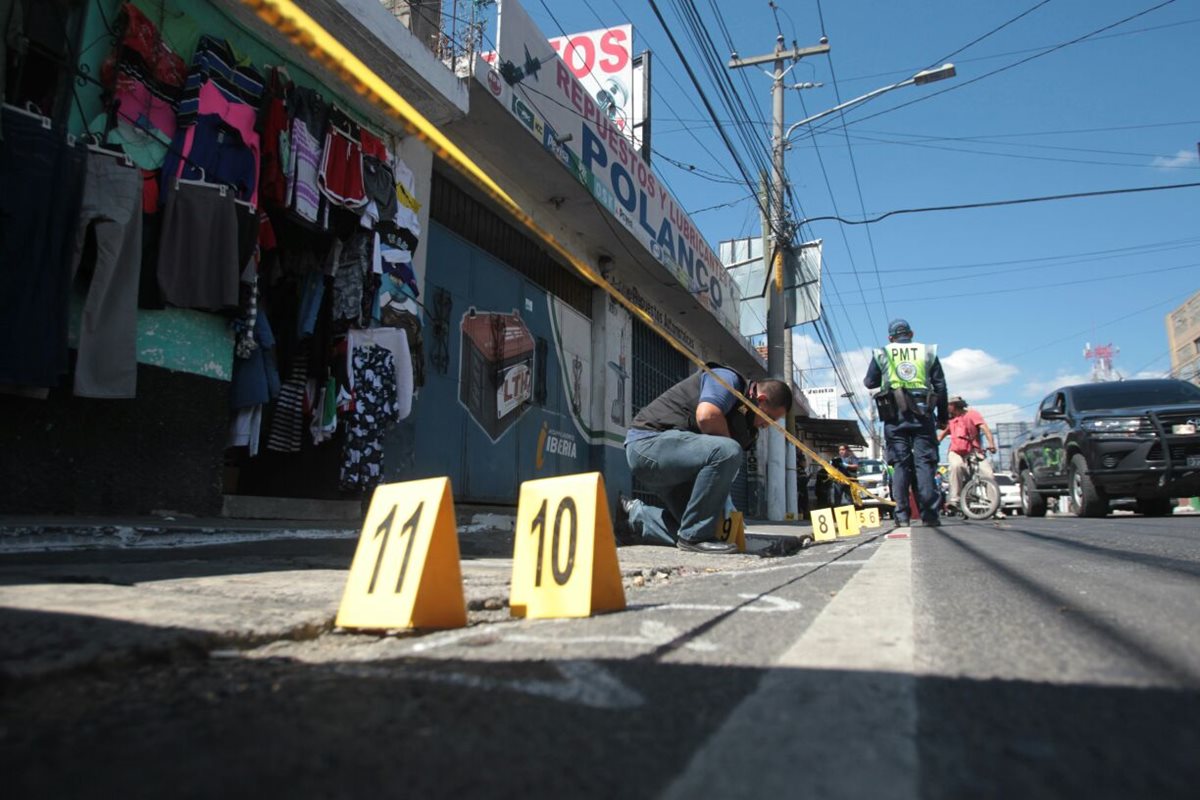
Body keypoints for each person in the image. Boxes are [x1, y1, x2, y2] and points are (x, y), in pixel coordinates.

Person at [616, 365, 793, 553]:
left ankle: (636, 520)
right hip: (647, 445)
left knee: (702, 527)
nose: (767, 425)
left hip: (676, 463)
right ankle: (694, 537)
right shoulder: (727, 379)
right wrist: (728, 455)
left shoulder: (747, 423)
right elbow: (707, 416)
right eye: (770, 418)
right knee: (729, 450)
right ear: (761, 399)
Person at [864, 319, 948, 527]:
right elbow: (940, 386)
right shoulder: (927, 351)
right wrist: (944, 417)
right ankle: (929, 515)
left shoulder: (882, 352)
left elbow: (869, 382)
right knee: (925, 464)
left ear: (890, 338)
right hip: (923, 413)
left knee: (900, 465)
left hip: (894, 415)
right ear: (911, 334)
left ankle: (902, 516)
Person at [938, 395, 997, 510]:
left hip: (973, 450)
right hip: (956, 451)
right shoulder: (951, 420)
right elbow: (942, 434)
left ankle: (994, 507)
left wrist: (991, 444)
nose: (946, 408)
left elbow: (985, 429)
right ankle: (955, 499)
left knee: (988, 474)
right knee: (956, 466)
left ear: (954, 405)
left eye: (948, 406)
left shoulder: (972, 414)